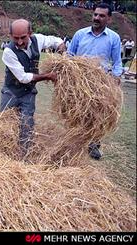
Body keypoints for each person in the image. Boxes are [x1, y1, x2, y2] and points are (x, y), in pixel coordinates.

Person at [0, 19, 66, 156]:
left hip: (28, 93)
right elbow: (23, 77)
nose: (19, 42)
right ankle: (4, 154)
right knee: (4, 124)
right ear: (10, 35)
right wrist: (48, 76)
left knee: (26, 124)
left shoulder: (38, 40)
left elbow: (55, 40)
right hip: (11, 92)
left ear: (30, 33)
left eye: (23, 37)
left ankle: (24, 155)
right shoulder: (8, 52)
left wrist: (61, 47)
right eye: (15, 38)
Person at [68, 3, 123, 160]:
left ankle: (93, 145)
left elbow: (117, 62)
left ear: (109, 19)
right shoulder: (80, 34)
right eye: (95, 14)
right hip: (78, 81)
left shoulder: (113, 38)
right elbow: (70, 55)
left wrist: (116, 77)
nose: (97, 18)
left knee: (97, 115)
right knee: (76, 112)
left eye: (101, 16)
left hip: (100, 83)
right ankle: (74, 142)